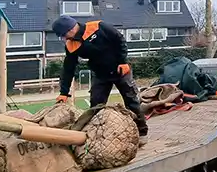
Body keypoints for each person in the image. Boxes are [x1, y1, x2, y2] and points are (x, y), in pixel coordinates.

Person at [51, 15, 148, 145]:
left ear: (70, 29)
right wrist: (64, 92)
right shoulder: (71, 45)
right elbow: (68, 69)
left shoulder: (98, 27)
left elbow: (120, 40)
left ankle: (142, 133)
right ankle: (97, 135)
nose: (63, 39)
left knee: (131, 100)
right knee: (96, 105)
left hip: (120, 69)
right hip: (101, 75)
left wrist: (123, 62)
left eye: (63, 35)